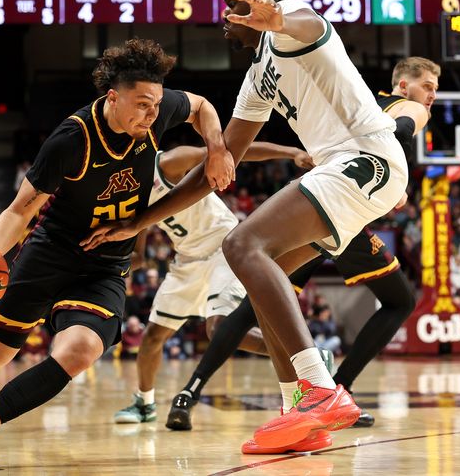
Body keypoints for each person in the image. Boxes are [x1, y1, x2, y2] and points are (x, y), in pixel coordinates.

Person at [82, 0, 423, 452]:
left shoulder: (295, 26)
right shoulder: (258, 74)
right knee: (265, 281)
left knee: (241, 243)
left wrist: (277, 16)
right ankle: (297, 412)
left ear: (266, 2)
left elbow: (304, 21)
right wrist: (137, 222)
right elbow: (216, 168)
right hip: (353, 172)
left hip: (364, 159)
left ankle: (319, 389)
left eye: (237, 3)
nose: (227, 12)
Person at [0, 39, 234, 470]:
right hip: (51, 253)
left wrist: (217, 147)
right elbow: (20, 210)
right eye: (142, 105)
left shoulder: (157, 110)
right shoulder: (71, 140)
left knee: (81, 350)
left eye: (157, 105)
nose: (152, 114)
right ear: (112, 96)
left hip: (105, 264)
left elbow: (201, 107)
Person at [164, 56, 437, 440]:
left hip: (330, 194)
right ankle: (330, 390)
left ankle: (231, 396)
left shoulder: (355, 104)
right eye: (427, 87)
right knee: (399, 301)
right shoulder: (398, 105)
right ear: (404, 85)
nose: (432, 97)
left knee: (257, 288)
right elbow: (408, 123)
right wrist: (399, 152)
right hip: (345, 204)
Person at [114, 140, 313, 424]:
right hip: (187, 259)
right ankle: (144, 404)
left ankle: (308, 358)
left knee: (218, 328)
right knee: (152, 337)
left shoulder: (169, 162)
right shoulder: (131, 195)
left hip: (225, 247)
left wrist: (290, 152)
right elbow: (139, 256)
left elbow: (232, 152)